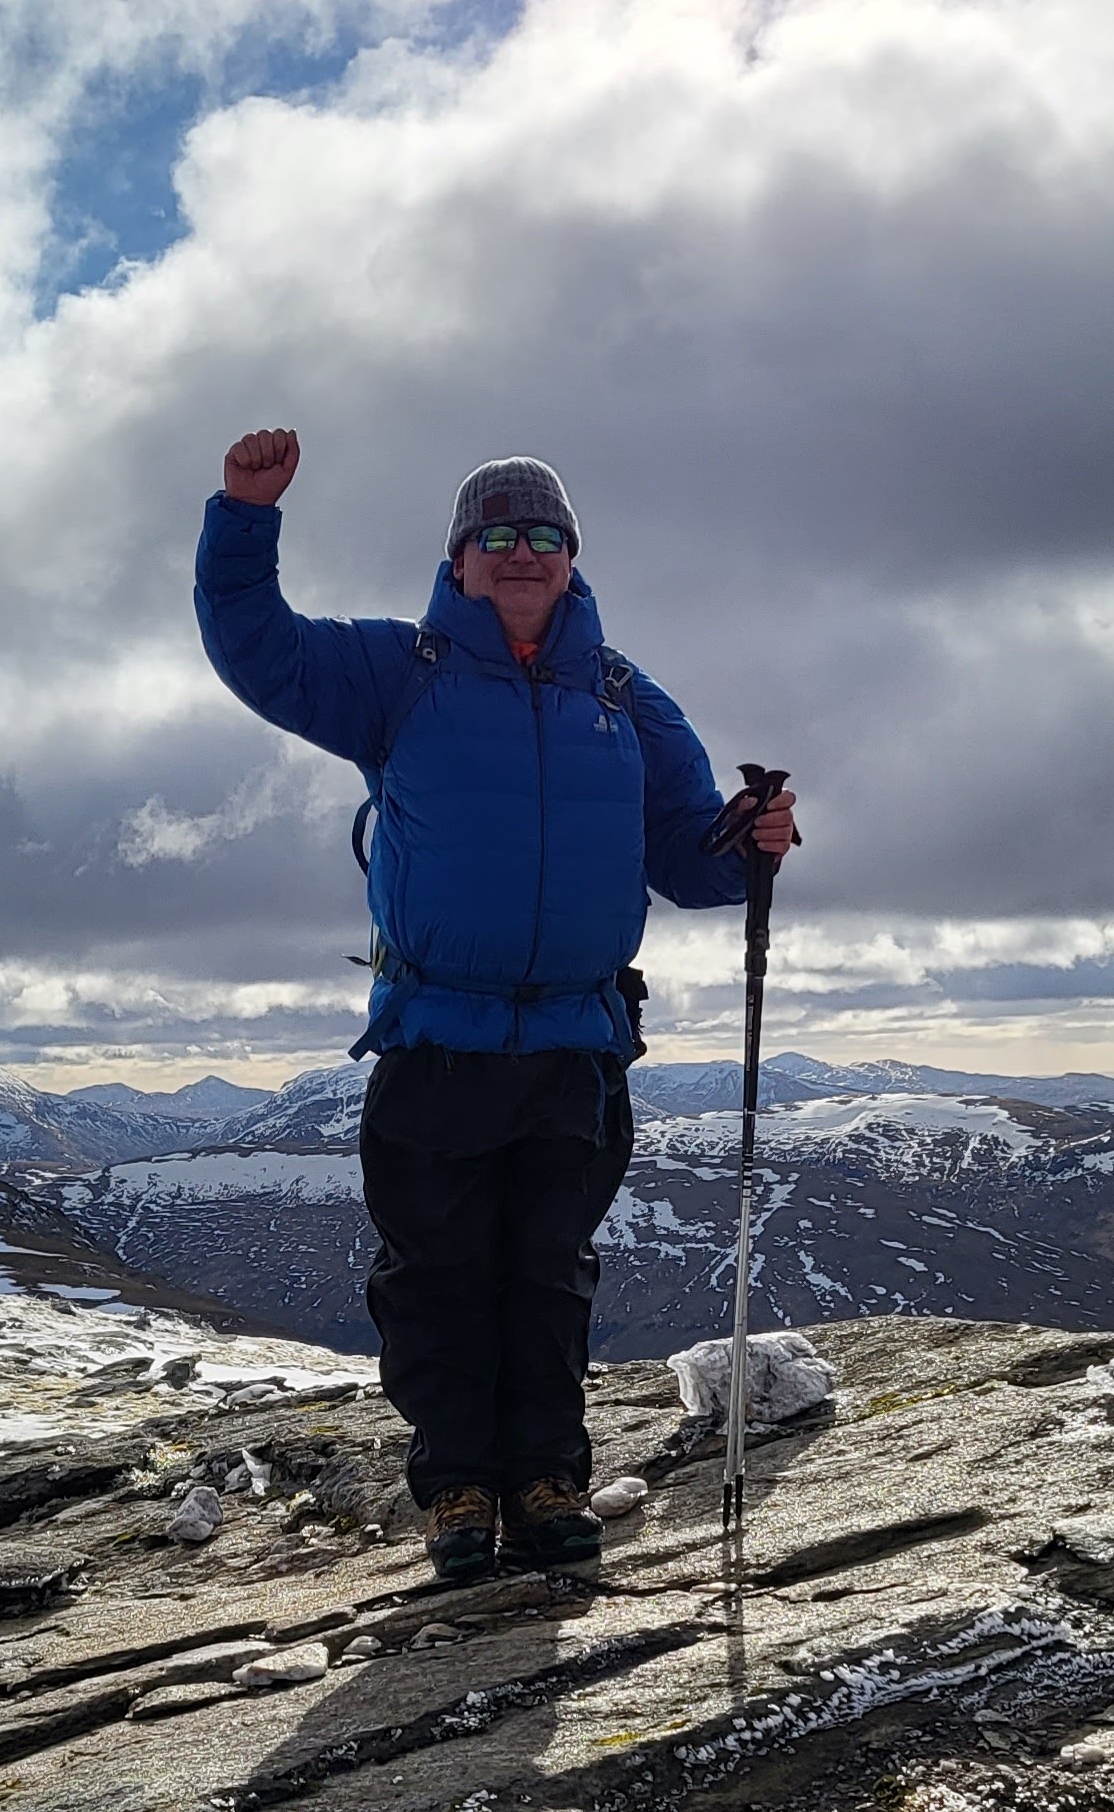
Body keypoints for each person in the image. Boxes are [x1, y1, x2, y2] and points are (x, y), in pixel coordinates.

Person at [195, 428, 801, 1582]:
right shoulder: (398, 673)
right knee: (435, 1276)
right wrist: (244, 515)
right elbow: (257, 650)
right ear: (460, 558)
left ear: (570, 559)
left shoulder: (625, 698)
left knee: (548, 1270)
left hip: (576, 1041)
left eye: (543, 536)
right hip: (437, 1037)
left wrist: (750, 841)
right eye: (497, 535)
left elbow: (687, 862)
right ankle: (459, 1487)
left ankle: (547, 1478)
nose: (521, 552)